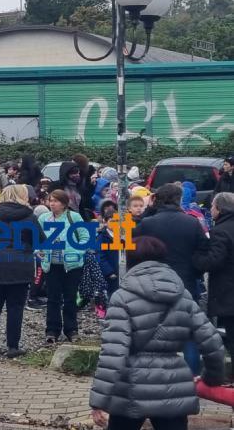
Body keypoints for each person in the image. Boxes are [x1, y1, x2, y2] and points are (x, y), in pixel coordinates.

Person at [90, 236, 225, 430]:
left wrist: (99, 401)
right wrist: (211, 378)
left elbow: (113, 354)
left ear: (131, 261)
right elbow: (212, 344)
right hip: (174, 388)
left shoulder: (122, 297)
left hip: (130, 390)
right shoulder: (183, 295)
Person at [136, 183, 209, 374]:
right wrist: (195, 272)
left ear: (157, 199)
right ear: (179, 199)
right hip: (185, 284)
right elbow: (203, 251)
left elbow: (132, 242)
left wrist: (148, 211)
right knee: (188, 333)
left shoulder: (148, 224)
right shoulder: (192, 223)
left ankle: (156, 374)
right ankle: (192, 376)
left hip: (153, 283)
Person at [0, 185, 41, 358]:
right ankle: (12, 347)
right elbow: (40, 241)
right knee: (15, 307)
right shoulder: (29, 217)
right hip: (20, 265)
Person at [38, 190, 88, 343]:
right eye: (50, 200)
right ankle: (52, 330)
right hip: (51, 264)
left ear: (64, 203)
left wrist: (77, 253)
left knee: (70, 297)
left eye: (56, 201)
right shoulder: (43, 218)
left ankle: (71, 329)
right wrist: (37, 250)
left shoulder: (74, 217)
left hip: (72, 265)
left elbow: (85, 237)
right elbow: (36, 238)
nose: (52, 204)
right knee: (52, 298)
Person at [193, 192, 234, 374]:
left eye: (212, 207)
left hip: (228, 292)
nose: (210, 210)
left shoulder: (220, 231)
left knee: (232, 338)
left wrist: (196, 259)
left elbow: (214, 261)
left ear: (219, 208)